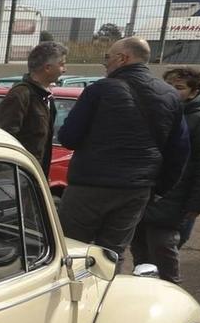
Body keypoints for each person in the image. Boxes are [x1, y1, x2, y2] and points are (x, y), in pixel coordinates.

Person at [56, 37, 187, 261]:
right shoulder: (170, 95)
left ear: (122, 58)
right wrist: (157, 189)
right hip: (135, 190)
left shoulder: (99, 91)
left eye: (107, 57)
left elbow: (69, 137)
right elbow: (179, 151)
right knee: (112, 255)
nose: (105, 64)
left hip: (89, 187)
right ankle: (105, 294)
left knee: (70, 250)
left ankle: (69, 294)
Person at [129, 67, 200, 283]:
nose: (171, 91)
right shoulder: (160, 112)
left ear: (193, 92)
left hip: (175, 198)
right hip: (147, 192)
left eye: (179, 87)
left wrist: (197, 204)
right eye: (168, 86)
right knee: (140, 247)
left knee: (163, 247)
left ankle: (172, 291)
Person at [0, 40, 65, 174]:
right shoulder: (20, 95)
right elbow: (6, 139)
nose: (64, 70)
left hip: (33, 177)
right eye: (61, 64)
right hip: (18, 178)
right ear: (47, 67)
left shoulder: (46, 98)